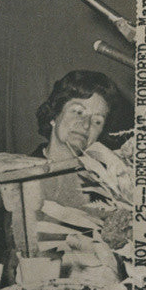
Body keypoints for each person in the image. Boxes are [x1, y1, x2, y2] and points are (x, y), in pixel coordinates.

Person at [32, 69, 126, 210]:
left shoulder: (108, 185)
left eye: (97, 121)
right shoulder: (21, 173)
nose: (86, 124)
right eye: (78, 112)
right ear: (54, 115)